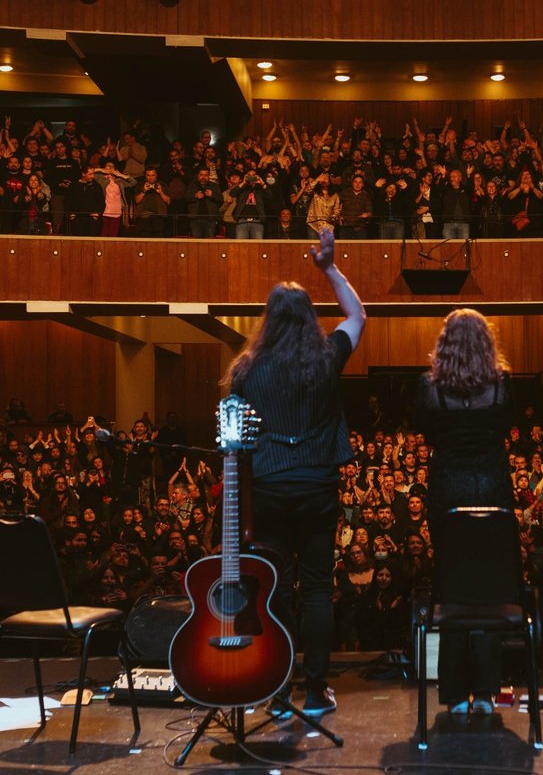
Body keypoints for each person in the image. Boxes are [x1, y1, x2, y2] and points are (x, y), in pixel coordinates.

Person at [229, 227, 365, 718]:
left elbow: (238, 441)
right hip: (316, 485)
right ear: (309, 318)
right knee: (316, 589)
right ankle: (316, 690)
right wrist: (329, 268)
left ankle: (280, 691)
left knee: (276, 589)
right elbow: (358, 315)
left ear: (268, 320)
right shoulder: (327, 358)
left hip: (267, 487)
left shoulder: (246, 369)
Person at [413, 309, 516, 713]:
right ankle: (487, 691)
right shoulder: (503, 385)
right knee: (488, 588)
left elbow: (426, 431)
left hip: (448, 487)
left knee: (450, 585)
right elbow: (505, 428)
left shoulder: (429, 388)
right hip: (492, 484)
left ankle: (455, 693)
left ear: (445, 344)